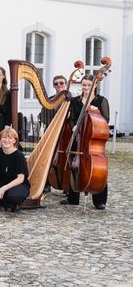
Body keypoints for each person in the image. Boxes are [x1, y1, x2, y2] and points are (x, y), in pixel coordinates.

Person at [62, 75, 110, 209]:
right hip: (78, 138)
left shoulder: (101, 101)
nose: (86, 87)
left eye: (89, 85)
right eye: (84, 85)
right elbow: (71, 118)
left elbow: (106, 121)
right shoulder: (75, 101)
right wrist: (74, 127)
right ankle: (73, 198)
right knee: (74, 166)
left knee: (97, 168)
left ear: (94, 85)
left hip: (92, 141)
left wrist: (98, 112)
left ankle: (99, 200)